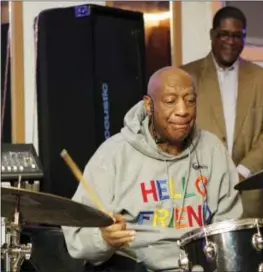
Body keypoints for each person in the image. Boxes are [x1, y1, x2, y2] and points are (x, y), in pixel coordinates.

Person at [62, 67, 242, 271]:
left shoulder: (212, 150)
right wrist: (103, 239)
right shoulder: (113, 154)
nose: (183, 110)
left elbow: (229, 230)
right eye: (170, 101)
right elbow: (76, 236)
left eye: (190, 100)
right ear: (149, 105)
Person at [181, 6, 263, 218]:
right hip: (199, 190)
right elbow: (180, 129)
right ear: (212, 35)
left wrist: (243, 171)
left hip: (248, 190)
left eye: (237, 35)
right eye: (224, 34)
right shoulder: (186, 75)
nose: (231, 41)